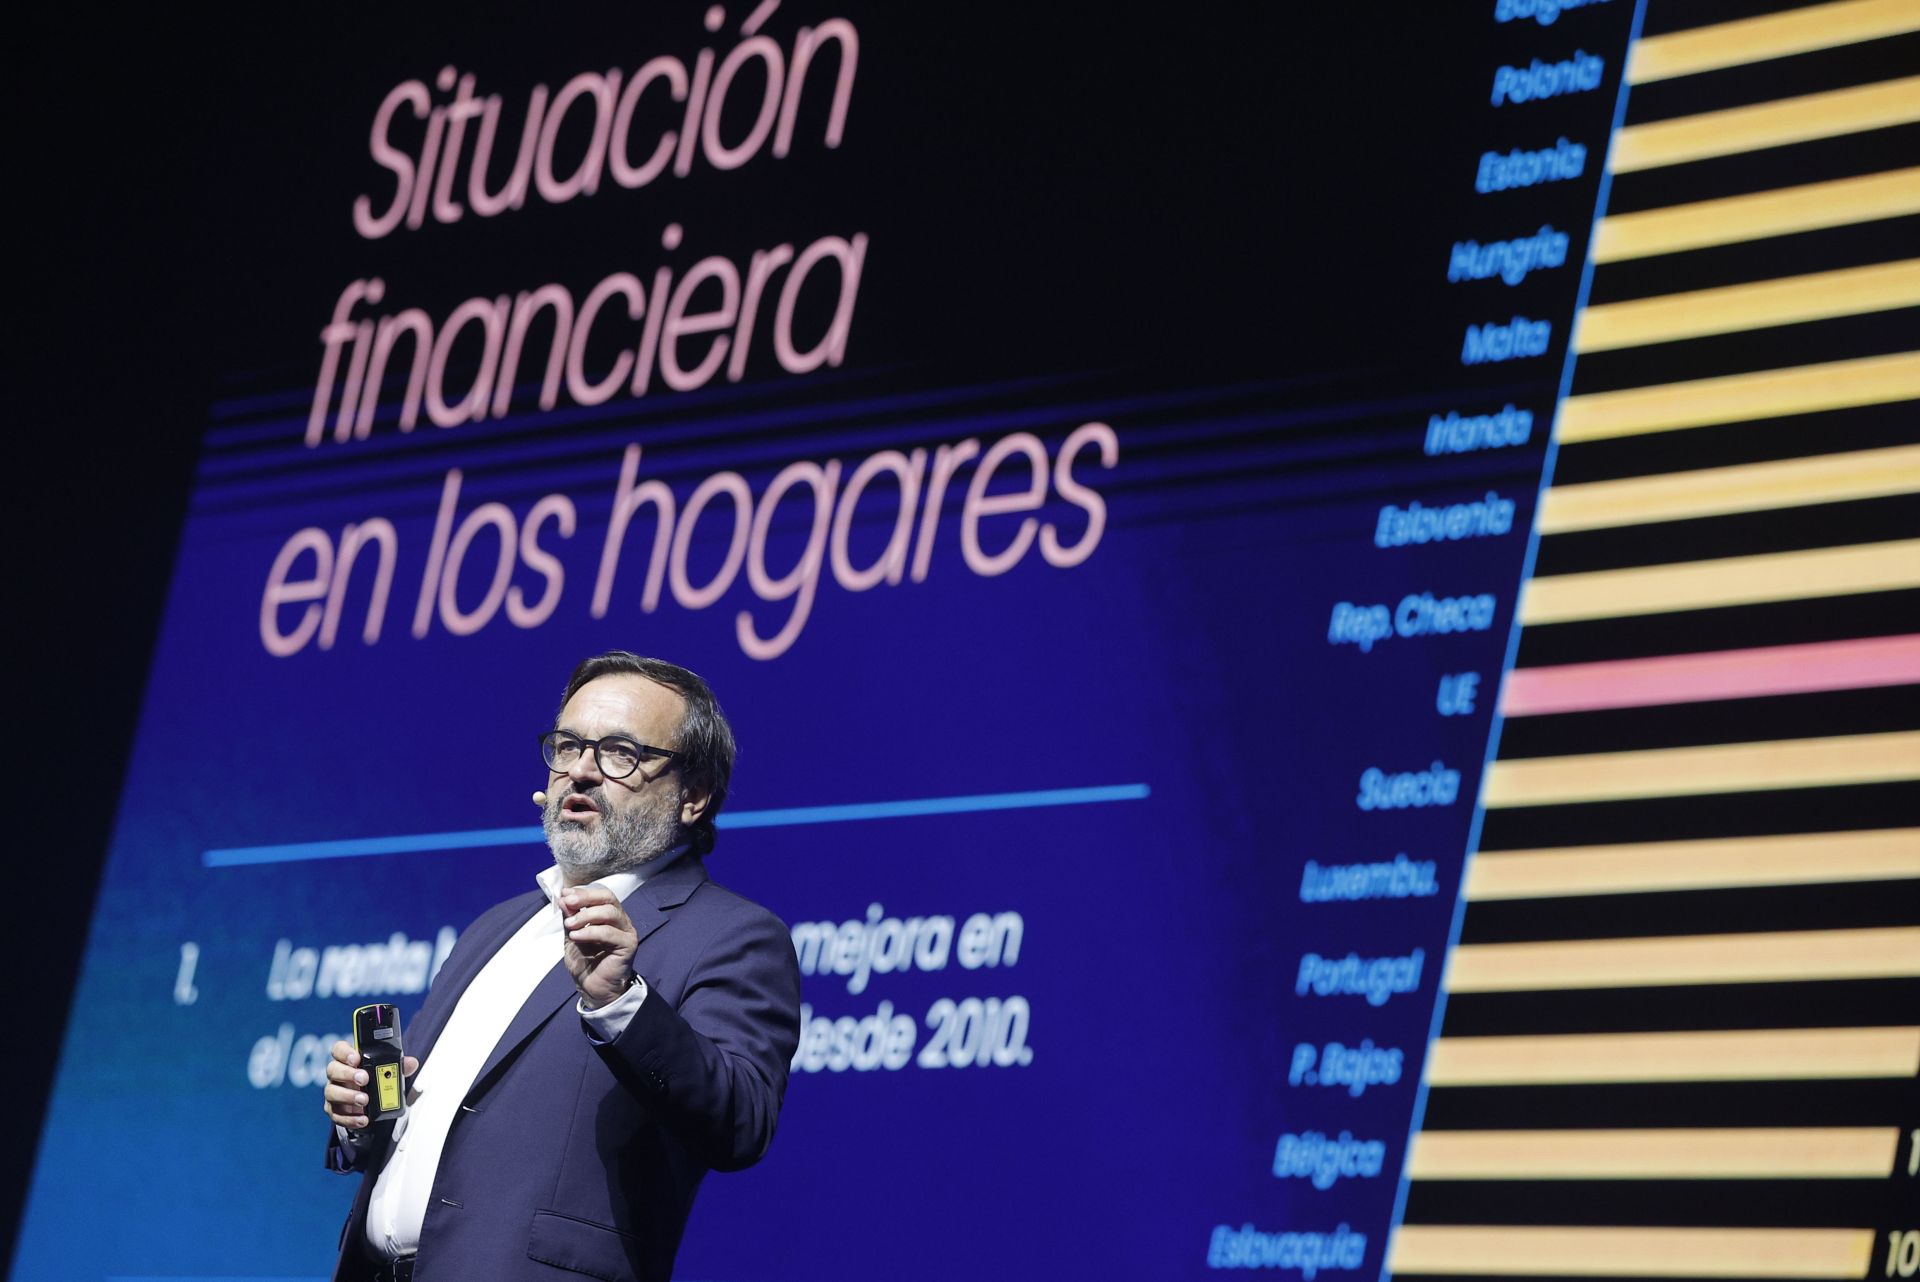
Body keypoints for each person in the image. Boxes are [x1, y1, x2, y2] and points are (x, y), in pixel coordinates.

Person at [321, 651, 801, 1282]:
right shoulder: (496, 927)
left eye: (619, 753)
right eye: (568, 745)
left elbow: (740, 1122)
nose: (581, 771)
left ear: (694, 796)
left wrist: (621, 1002)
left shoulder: (732, 936)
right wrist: (361, 1120)